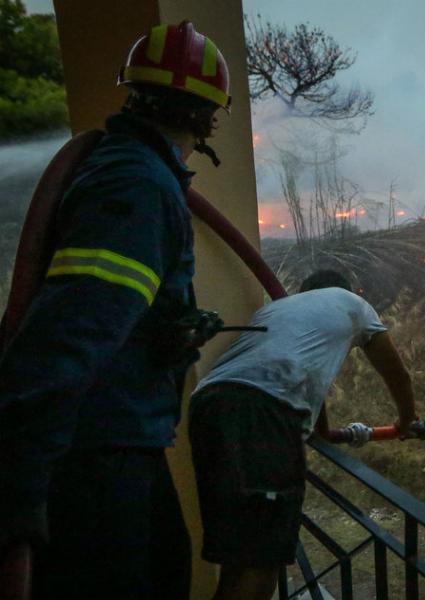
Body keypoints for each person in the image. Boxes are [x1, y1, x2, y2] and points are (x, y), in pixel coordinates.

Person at [0, 21, 231, 600]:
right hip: (94, 453)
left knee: (167, 568)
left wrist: (166, 332)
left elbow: (106, 308)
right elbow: (70, 333)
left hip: (119, 439)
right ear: (207, 117)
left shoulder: (125, 169)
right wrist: (21, 481)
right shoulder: (136, 186)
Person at [189, 269, 418, 600]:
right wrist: (406, 421)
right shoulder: (353, 303)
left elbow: (310, 390)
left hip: (208, 407)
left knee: (239, 557)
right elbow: (398, 374)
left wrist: (330, 432)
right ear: (343, 290)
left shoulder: (280, 310)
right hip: (262, 412)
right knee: (260, 563)